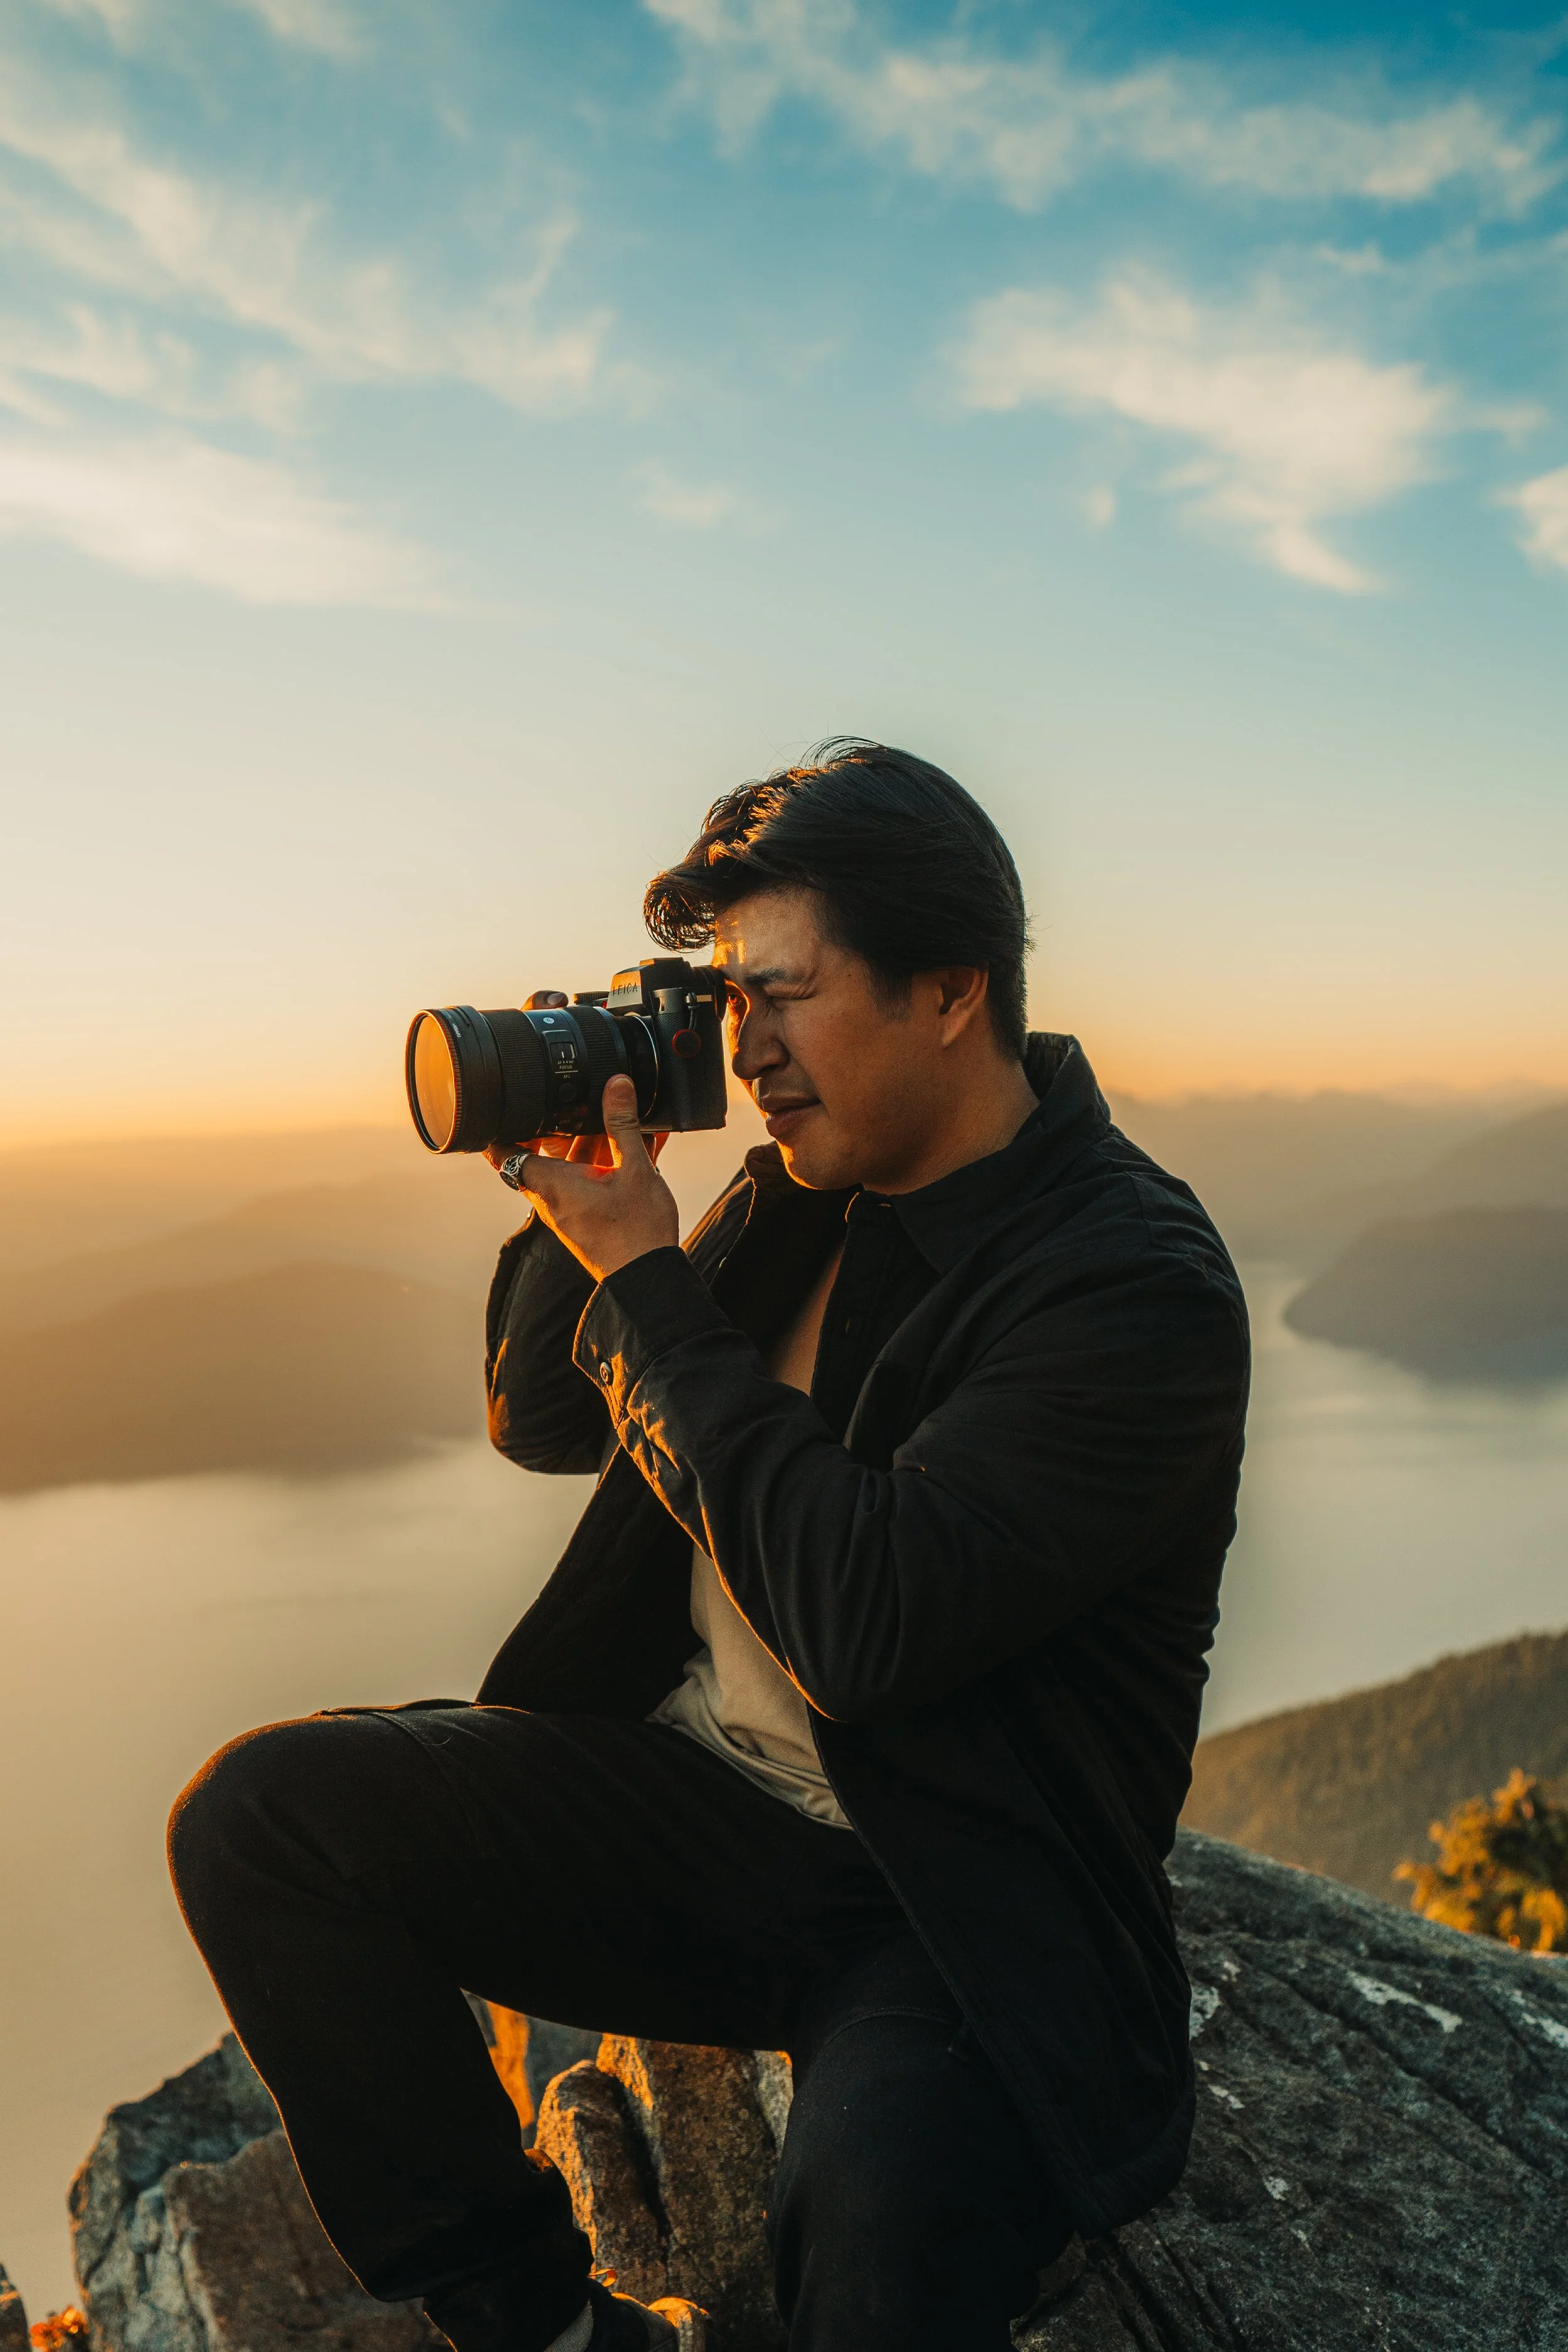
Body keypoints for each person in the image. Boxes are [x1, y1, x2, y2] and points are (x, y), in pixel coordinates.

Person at [167, 739, 1249, 2352]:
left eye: (784, 996)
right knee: (261, 1816)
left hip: (945, 1893)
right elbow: (543, 1414)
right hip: (695, 1803)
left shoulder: (1123, 1283)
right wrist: (595, 1213)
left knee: (880, 2236)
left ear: (950, 991)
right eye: (728, 1000)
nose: (745, 1049)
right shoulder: (807, 1189)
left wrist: (655, 1289)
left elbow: (864, 1622)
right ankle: (549, 2328)